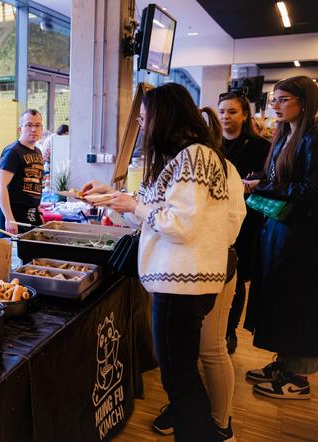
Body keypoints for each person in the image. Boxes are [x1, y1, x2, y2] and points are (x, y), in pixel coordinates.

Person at [82, 83, 245, 441]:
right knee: (179, 374)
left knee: (179, 377)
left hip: (183, 282)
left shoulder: (194, 157)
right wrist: (115, 199)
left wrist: (133, 205)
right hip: (180, 281)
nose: (141, 127)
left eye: (144, 119)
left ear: (164, 117)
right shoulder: (181, 159)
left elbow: (180, 225)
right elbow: (152, 214)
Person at [243, 75, 318, 399]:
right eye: (274, 99)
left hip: (301, 235)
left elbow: (311, 190)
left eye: (283, 99)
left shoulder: (313, 137)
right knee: (279, 298)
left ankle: (298, 379)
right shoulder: (286, 133)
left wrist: (264, 187)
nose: (275, 105)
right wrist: (263, 182)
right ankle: (284, 364)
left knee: (296, 303)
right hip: (279, 229)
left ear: (304, 102)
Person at [217, 91, 271, 354]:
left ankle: (228, 332)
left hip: (246, 222)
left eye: (232, 111)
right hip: (214, 220)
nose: (226, 116)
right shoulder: (210, 145)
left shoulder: (260, 147)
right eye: (222, 111)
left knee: (236, 280)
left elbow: (270, 182)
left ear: (245, 115)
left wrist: (253, 185)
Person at [0, 109, 45, 236]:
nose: (34, 129)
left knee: (33, 253)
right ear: (20, 129)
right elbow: (0, 185)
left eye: (37, 125)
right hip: (13, 213)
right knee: (13, 254)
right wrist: (9, 218)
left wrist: (38, 212)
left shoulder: (38, 152)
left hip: (31, 214)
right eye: (29, 125)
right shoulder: (13, 151)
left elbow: (36, 185)